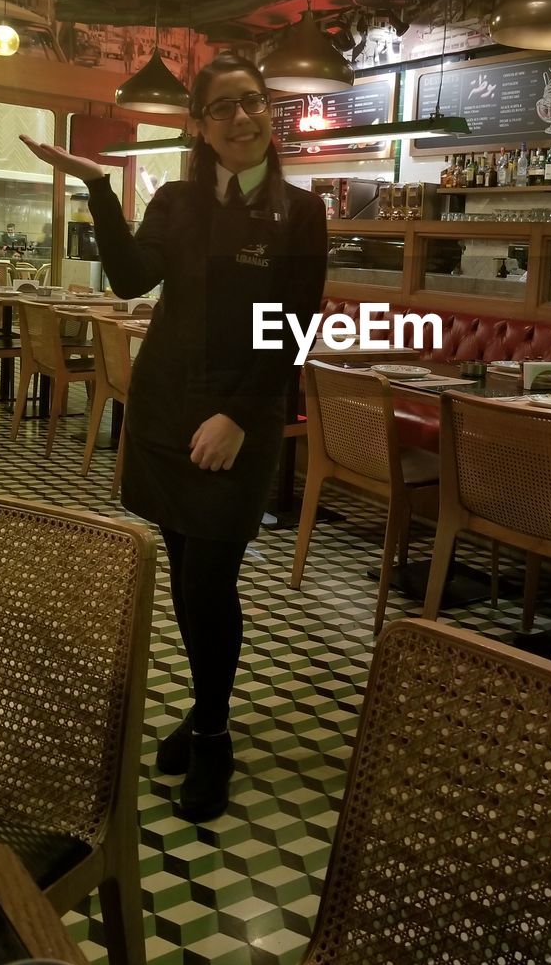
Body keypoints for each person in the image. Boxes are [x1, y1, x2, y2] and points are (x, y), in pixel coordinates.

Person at [20, 53, 327, 823]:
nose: (243, 119)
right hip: (161, 412)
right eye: (223, 108)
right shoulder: (178, 202)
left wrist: (236, 415)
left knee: (206, 582)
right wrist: (97, 188)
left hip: (238, 420)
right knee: (185, 570)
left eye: (252, 102)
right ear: (200, 125)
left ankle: (214, 734)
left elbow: (290, 329)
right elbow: (128, 281)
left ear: (267, 112)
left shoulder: (301, 212)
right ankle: (206, 709)